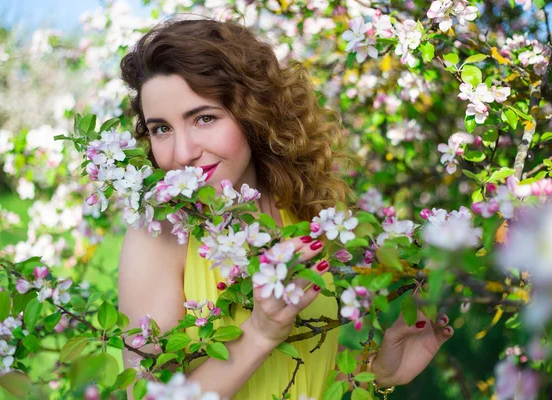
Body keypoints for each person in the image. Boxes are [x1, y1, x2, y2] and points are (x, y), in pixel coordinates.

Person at [117, 16, 454, 399]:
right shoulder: (159, 234)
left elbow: (295, 370)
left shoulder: (300, 211)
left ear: (251, 111)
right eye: (161, 128)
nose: (182, 153)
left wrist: (376, 370)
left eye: (204, 118)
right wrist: (260, 332)